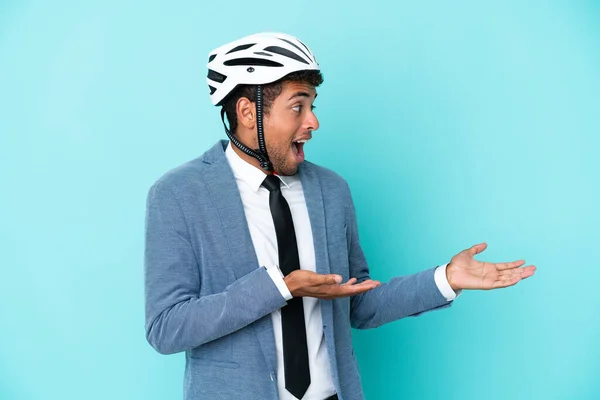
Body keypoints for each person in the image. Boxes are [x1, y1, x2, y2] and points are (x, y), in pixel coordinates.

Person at [144, 32, 537, 400]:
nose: (312, 121)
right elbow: (166, 327)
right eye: (297, 106)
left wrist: (445, 279)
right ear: (248, 113)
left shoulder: (331, 190)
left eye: (312, 106)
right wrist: (282, 288)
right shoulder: (178, 195)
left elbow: (359, 303)